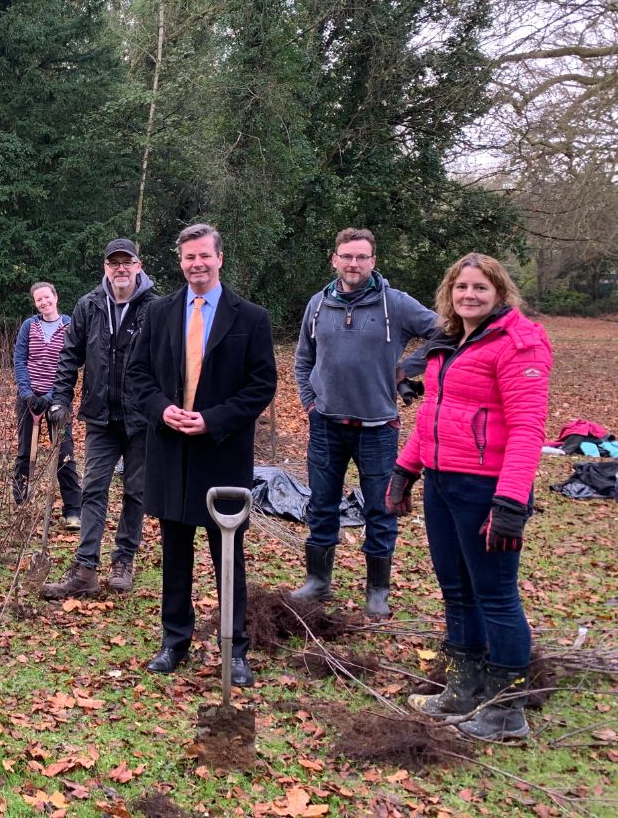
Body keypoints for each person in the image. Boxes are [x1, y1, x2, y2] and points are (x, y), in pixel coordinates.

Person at [388, 253, 550, 741]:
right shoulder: (450, 341)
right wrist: (405, 470)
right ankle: (463, 689)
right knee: (456, 590)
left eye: (480, 287)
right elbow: (434, 413)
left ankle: (506, 710)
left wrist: (510, 503)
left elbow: (527, 428)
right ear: (449, 293)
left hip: (486, 487)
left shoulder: (519, 345)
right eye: (461, 287)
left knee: (496, 596)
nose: (469, 295)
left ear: (500, 292)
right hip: (442, 481)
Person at [125, 223, 276, 684]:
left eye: (204, 256)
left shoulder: (249, 317)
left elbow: (261, 385)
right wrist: (161, 410)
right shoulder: (161, 313)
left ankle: (234, 649)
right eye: (189, 257)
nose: (197, 264)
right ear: (180, 262)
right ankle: (175, 640)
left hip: (222, 452)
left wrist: (214, 419)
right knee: (175, 552)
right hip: (171, 449)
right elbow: (137, 376)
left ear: (219, 258)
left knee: (226, 551)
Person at [291, 228, 437, 618]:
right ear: (334, 260)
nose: (353, 264)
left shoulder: (396, 304)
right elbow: (303, 359)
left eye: (361, 257)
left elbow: (446, 331)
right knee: (322, 504)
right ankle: (318, 582)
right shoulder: (318, 305)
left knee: (380, 509)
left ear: (373, 261)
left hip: (378, 428)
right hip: (325, 426)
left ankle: (377, 590)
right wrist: (309, 401)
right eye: (346, 256)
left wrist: (408, 367)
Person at [43, 239, 158, 598]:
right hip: (100, 417)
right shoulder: (89, 305)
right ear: (105, 267)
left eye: (127, 262)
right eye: (114, 263)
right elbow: (70, 355)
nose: (121, 268)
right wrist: (60, 398)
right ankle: (85, 568)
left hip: (142, 419)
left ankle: (123, 560)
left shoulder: (155, 308)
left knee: (136, 492)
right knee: (94, 489)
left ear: (139, 266)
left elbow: (168, 362)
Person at [12, 282, 81, 527]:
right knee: (24, 453)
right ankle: (22, 505)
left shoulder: (70, 325)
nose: (43, 302)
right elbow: (19, 359)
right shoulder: (29, 326)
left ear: (55, 297)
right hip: (28, 400)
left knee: (64, 454)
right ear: (35, 303)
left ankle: (73, 510)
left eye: (46, 297)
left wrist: (53, 396)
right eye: (38, 300)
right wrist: (27, 392)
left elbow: (71, 364)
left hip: (58, 400)